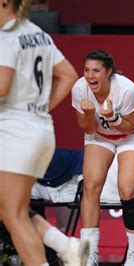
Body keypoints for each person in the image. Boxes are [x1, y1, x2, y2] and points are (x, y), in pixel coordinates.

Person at [0, 0, 89, 264]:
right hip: (38, 131)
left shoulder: (7, 35)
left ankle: (65, 248)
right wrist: (40, 109)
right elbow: (69, 75)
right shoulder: (38, 33)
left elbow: (2, 87)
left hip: (15, 133)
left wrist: (28, 112)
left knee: (13, 214)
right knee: (10, 209)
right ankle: (66, 245)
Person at [71, 49, 134, 265]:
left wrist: (113, 116)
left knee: (127, 188)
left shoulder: (126, 89)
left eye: (96, 71)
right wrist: (88, 114)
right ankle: (90, 253)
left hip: (130, 136)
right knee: (91, 186)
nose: (90, 76)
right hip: (99, 136)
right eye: (86, 70)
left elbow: (130, 125)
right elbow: (88, 129)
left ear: (109, 72)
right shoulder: (79, 89)